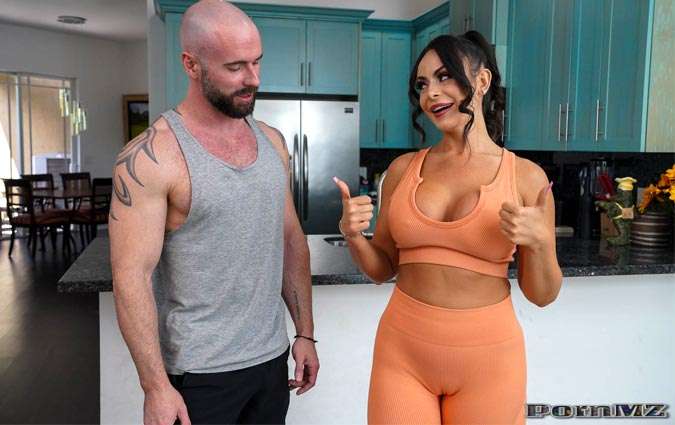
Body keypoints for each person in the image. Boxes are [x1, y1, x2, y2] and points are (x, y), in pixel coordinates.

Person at [334, 31, 562, 424]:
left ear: (482, 81)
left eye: (445, 77)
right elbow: (382, 268)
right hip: (402, 353)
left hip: (489, 360)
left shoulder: (526, 178)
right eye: (422, 84)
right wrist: (353, 236)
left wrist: (541, 243)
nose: (431, 94)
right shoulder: (403, 169)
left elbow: (542, 295)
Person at [109, 1, 319, 424]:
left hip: (271, 361)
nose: (253, 79)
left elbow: (290, 239)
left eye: (257, 62)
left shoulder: (273, 143)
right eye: (235, 67)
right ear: (191, 65)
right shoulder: (152, 157)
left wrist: (305, 333)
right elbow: (131, 277)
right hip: (197, 375)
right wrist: (155, 387)